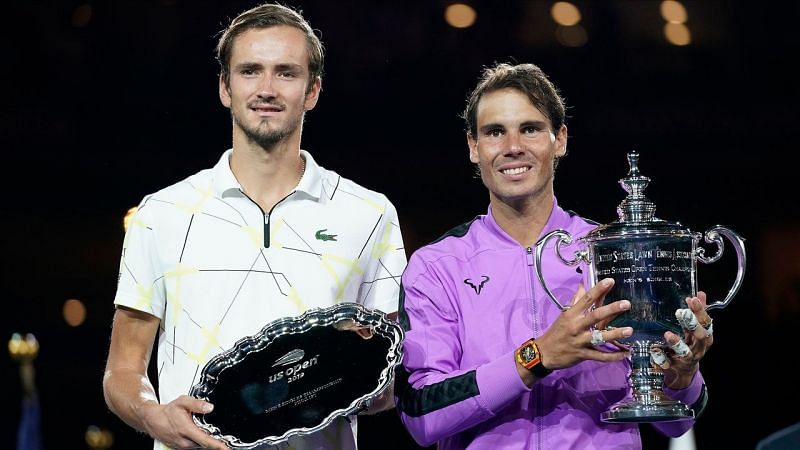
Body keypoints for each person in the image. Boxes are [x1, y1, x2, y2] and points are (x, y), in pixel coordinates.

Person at [102, 3, 406, 449]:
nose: (266, 88)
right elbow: (122, 372)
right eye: (250, 71)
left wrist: (351, 380)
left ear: (313, 90)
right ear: (225, 87)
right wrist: (154, 416)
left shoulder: (370, 214)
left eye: (286, 72)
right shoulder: (161, 214)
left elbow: (386, 377)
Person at [394, 62, 713, 449]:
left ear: (559, 139)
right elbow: (422, 417)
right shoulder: (438, 265)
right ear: (473, 147)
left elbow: (676, 425)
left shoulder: (612, 252)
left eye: (530, 129)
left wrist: (683, 377)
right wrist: (537, 356)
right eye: (495, 132)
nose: (513, 147)